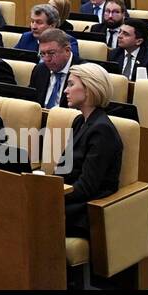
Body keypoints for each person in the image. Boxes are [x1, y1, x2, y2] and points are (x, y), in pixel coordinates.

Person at [58, 63, 123, 239]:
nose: (66, 90)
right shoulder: (80, 121)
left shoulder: (102, 130)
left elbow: (87, 187)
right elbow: (65, 167)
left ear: (89, 90)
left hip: (86, 209)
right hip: (68, 196)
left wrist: (53, 195)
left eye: (71, 84)